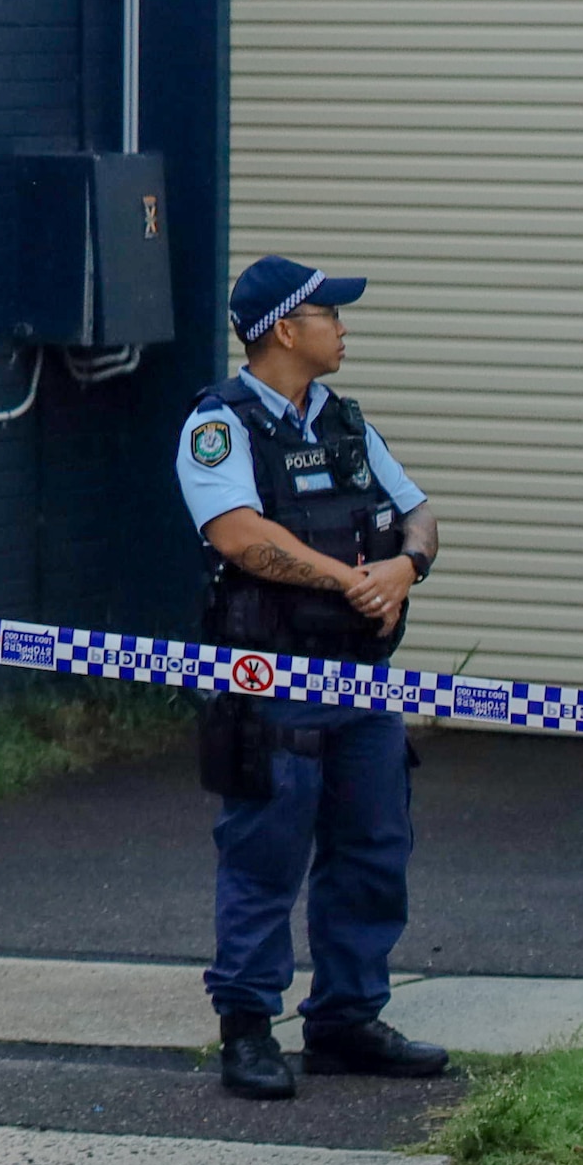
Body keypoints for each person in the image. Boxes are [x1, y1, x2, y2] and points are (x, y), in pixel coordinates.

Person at [179, 253, 452, 1101]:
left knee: (373, 848)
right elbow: (236, 534)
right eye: (329, 314)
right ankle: (248, 1028)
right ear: (286, 331)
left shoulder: (343, 421)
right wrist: (348, 580)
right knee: (265, 855)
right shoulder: (219, 425)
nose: (343, 327)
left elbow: (419, 511)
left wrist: (404, 567)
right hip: (275, 680)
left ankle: (346, 1020)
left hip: (361, 680)